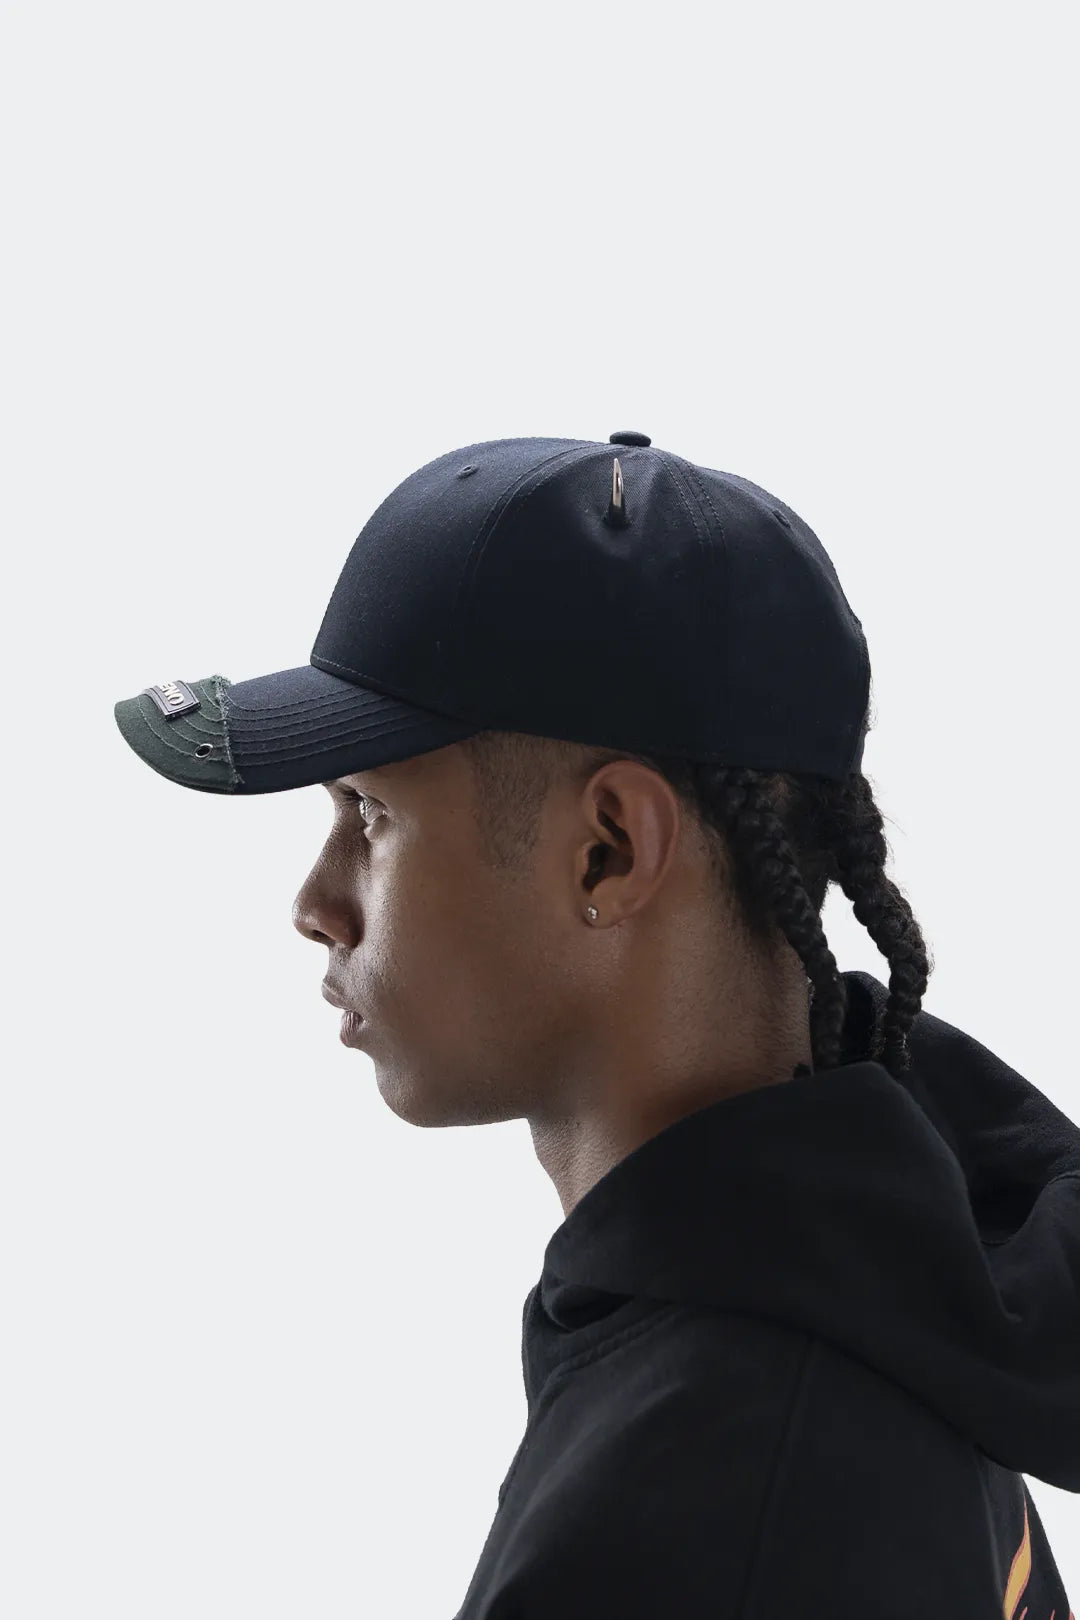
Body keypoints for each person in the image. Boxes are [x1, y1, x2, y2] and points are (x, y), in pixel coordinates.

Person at [114, 431, 1077, 1617]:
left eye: (369, 813)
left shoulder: (702, 1495)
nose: (315, 904)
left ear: (610, 850)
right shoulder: (895, 1284)